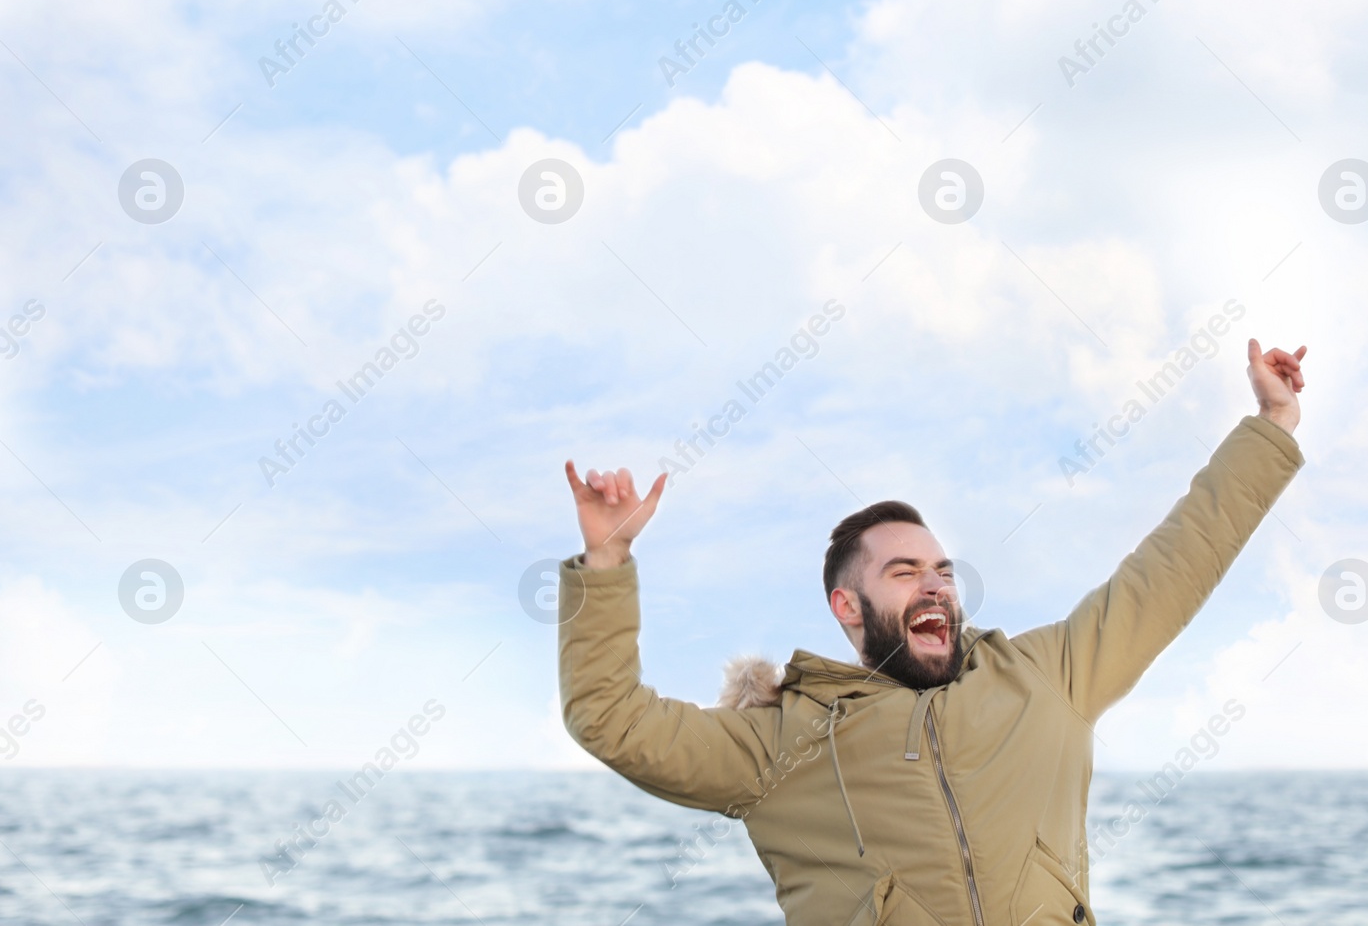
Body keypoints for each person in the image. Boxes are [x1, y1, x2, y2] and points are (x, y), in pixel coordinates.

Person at [559, 338, 1307, 925]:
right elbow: (611, 719)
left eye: (943, 570)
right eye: (905, 570)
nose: (936, 585)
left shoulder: (1046, 675)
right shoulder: (778, 744)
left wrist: (1271, 427)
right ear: (847, 606)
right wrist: (607, 560)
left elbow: (1172, 566)